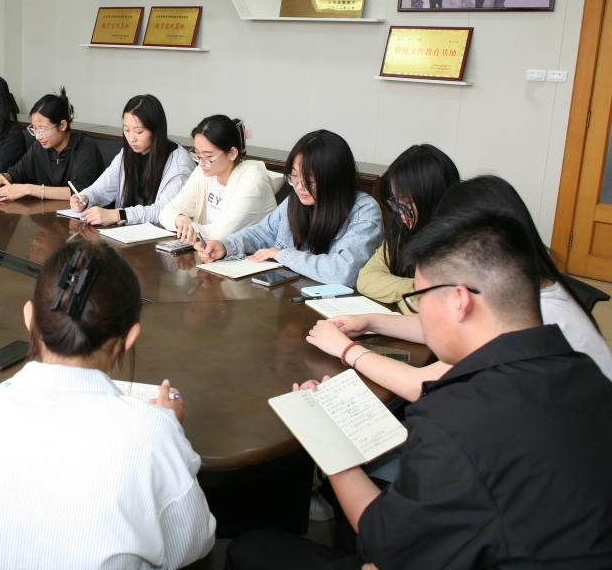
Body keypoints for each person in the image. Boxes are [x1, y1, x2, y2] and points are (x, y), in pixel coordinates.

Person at [229, 211, 612, 569]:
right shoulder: (587, 373)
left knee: (250, 548)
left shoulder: (455, 419)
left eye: (420, 298)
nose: (419, 315)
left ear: (460, 300)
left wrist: (329, 440)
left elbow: (384, 543)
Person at [0, 242, 216, 569]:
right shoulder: (151, 433)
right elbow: (193, 542)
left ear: (30, 318)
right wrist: (170, 431)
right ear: (130, 338)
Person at [310, 175, 612, 397]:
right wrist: (371, 321)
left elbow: (421, 386)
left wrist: (348, 351)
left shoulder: (534, 316)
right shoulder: (530, 284)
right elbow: (449, 325)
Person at [198, 130, 382, 287]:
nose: (300, 187)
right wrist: (225, 246)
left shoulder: (364, 211)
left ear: (335, 179)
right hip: (292, 295)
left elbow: (343, 272)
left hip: (336, 310)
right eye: (294, 177)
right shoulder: (296, 200)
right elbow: (262, 233)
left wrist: (283, 255)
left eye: (310, 181)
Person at [356, 144, 459, 305]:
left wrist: (400, 291)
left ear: (431, 200)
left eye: (406, 203)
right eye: (397, 203)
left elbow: (430, 306)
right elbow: (366, 279)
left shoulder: (459, 247)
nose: (400, 213)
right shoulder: (402, 230)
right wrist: (416, 290)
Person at [68, 95, 193, 226]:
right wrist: (85, 198)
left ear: (156, 130)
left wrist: (119, 215)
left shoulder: (179, 164)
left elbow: (164, 212)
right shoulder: (127, 153)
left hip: (161, 234)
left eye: (139, 132)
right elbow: (99, 189)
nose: (131, 138)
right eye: (126, 130)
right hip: (126, 232)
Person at [159, 115, 279, 243]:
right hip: (211, 250)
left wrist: (187, 227)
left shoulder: (253, 181)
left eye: (209, 156)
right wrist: (180, 219)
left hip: (250, 253)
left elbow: (220, 234)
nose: (201, 162)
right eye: (198, 154)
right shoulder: (203, 171)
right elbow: (166, 212)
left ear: (232, 153)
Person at [0, 88, 102, 202]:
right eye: (34, 129)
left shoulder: (86, 148)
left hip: (84, 212)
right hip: (48, 212)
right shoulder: (39, 147)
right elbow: (16, 173)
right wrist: (3, 177)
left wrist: (29, 189)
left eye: (42, 129)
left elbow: (79, 191)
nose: (38, 136)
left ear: (62, 125)